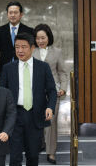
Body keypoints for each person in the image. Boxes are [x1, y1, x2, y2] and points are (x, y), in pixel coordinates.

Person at [0, 33, 57, 166]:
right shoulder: (8, 68)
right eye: (17, 47)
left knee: (33, 156)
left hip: (35, 115)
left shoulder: (43, 67)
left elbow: (52, 90)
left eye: (24, 47)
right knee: (14, 157)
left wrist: (50, 107)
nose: (20, 50)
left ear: (32, 48)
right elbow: (2, 93)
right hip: (15, 116)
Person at [33, 23, 68, 164]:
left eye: (43, 37)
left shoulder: (57, 52)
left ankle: (51, 152)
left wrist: (64, 88)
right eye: (38, 38)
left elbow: (62, 72)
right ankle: (40, 144)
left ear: (49, 37)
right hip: (35, 92)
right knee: (36, 120)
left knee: (51, 122)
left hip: (53, 91)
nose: (40, 41)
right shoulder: (31, 51)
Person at [0, 1, 34, 77]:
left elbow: (33, 51)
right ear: (7, 14)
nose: (13, 15)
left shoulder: (29, 31)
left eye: (15, 12)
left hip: (24, 68)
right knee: (4, 89)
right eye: (10, 13)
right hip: (4, 69)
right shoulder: (0, 30)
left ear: (21, 15)